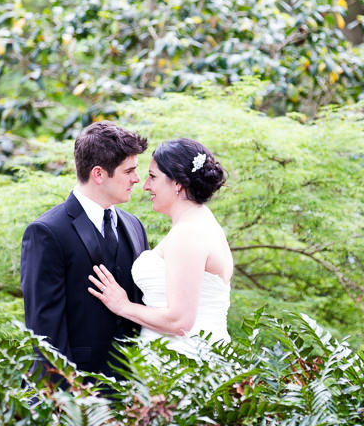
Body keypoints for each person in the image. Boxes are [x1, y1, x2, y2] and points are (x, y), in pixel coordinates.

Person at [20, 121, 149, 380]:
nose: (137, 179)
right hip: (78, 393)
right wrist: (68, 401)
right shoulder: (46, 232)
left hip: (134, 395)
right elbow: (45, 333)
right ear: (99, 174)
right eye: (129, 171)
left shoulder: (134, 226)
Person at [88, 138, 232, 358]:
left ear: (177, 183)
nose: (145, 185)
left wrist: (123, 306)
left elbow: (179, 320)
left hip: (184, 364)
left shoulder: (188, 233)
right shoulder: (201, 223)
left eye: (153, 177)